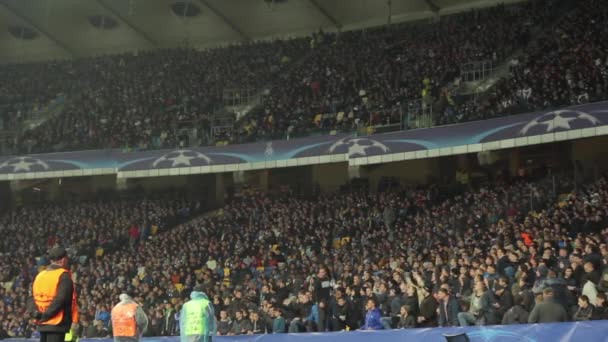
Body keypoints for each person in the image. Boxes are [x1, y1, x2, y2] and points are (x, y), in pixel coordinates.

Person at [31, 247, 79, 342]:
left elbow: (32, 298)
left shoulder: (40, 275)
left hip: (42, 324)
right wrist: (47, 315)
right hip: (57, 323)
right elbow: (61, 300)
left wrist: (38, 315)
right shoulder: (63, 276)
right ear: (63, 260)